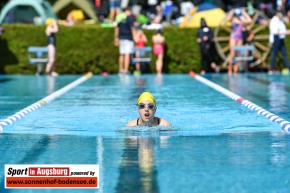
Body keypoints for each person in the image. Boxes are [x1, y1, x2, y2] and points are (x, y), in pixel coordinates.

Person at [226, 7, 252, 74]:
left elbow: (249, 20)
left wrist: (244, 13)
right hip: (233, 37)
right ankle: (230, 69)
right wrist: (231, 12)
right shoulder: (233, 19)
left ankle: (236, 68)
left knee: (238, 54)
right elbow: (227, 19)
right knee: (232, 54)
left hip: (239, 37)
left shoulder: (242, 20)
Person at [114, 8, 136, 74]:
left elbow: (117, 28)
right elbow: (132, 28)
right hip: (128, 38)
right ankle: (126, 69)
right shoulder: (130, 18)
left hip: (121, 38)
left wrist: (116, 37)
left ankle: (121, 69)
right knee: (127, 54)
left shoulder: (120, 17)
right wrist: (134, 37)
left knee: (122, 54)